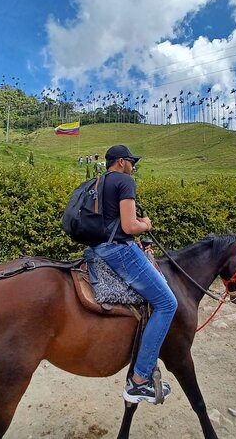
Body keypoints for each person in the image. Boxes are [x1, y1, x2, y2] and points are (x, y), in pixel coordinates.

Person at [88, 144, 177, 403]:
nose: (134, 166)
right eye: (131, 161)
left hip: (98, 248)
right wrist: (146, 224)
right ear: (120, 162)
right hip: (119, 250)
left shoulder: (99, 181)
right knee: (167, 303)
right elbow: (129, 225)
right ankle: (139, 380)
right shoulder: (124, 181)